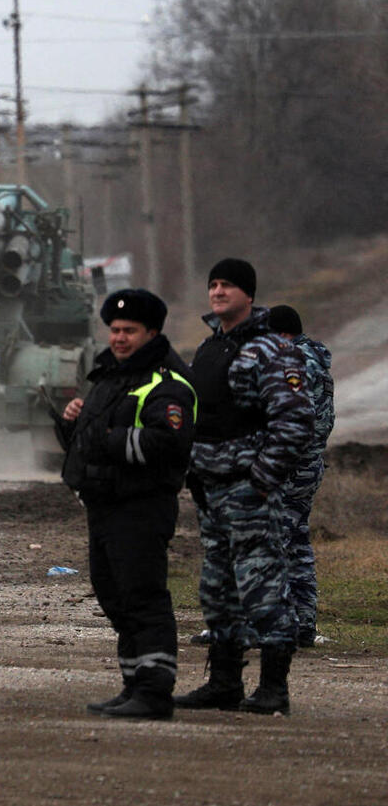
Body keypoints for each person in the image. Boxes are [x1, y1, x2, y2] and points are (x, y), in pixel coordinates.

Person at [174, 258, 316, 716]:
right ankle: (224, 682)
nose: (218, 292)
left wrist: (262, 479)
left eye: (228, 285)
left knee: (262, 586)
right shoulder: (210, 349)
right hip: (211, 491)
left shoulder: (272, 350)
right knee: (217, 591)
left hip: (249, 491)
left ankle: (274, 688)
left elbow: (295, 419)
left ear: (248, 295)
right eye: (213, 284)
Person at [56, 288, 195, 720]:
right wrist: (72, 425)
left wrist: (109, 439)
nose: (118, 338)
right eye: (114, 330)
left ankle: (155, 692)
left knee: (142, 597)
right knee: (114, 596)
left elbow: (168, 441)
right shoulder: (110, 377)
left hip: (141, 507)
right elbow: (87, 444)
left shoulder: (167, 383)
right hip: (103, 506)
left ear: (151, 332)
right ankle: (134, 683)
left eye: (129, 331)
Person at [266, 304, 335, 648]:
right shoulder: (316, 359)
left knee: (275, 541)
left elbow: (290, 420)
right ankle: (303, 623)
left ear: (283, 334)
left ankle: (277, 625)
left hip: (290, 466)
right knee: (297, 544)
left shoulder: (295, 362)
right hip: (309, 465)